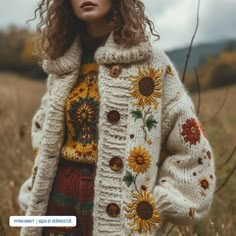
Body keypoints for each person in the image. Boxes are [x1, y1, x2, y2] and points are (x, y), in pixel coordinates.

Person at [18, 0, 216, 235]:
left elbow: (192, 147)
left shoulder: (150, 64)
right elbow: (43, 137)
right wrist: (35, 194)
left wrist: (154, 206)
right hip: (57, 204)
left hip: (120, 213)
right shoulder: (61, 66)